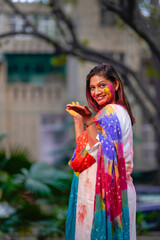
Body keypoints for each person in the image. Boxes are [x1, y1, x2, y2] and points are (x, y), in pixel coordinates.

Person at [65, 63, 136, 240]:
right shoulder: (103, 115)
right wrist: (79, 121)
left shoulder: (112, 112)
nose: (97, 92)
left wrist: (88, 119)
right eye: (92, 87)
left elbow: (99, 152)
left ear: (116, 84)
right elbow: (85, 154)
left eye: (102, 85)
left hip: (109, 197)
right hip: (94, 194)